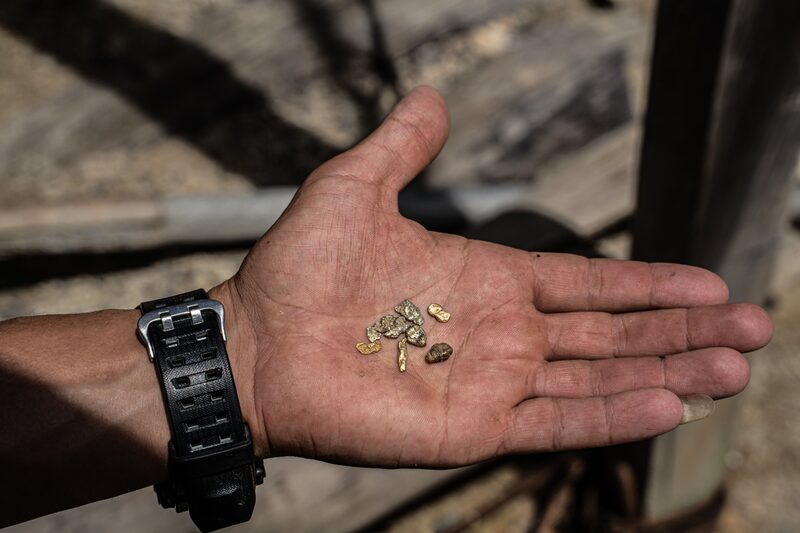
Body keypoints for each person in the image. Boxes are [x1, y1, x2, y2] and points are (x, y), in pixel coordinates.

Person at [0, 87, 773, 527]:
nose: (409, 334)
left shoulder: (410, 332)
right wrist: (249, 355)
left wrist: (236, 361)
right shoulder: (401, 333)